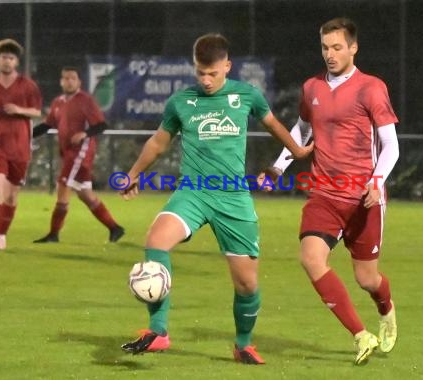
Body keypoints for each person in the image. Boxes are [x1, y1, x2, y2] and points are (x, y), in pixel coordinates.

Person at [119, 33, 313, 364]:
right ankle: (158, 331)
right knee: (155, 242)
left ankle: (243, 344)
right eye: (200, 73)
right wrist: (134, 172)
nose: (206, 81)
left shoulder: (246, 95)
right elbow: (158, 142)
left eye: (213, 73)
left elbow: (272, 125)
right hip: (193, 191)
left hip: (233, 197)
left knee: (247, 285)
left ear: (227, 66)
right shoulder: (181, 102)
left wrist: (295, 151)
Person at [258, 17, 400, 365]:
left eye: (337, 47)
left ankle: (386, 308)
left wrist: (376, 182)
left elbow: (391, 146)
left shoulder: (371, 88)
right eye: (325, 47)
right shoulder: (312, 88)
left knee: (367, 279)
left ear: (353, 47)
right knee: (310, 258)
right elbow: (302, 130)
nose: (330, 54)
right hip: (324, 193)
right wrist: (279, 166)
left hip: (363, 198)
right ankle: (360, 334)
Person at [32, 67, 125, 243]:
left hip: (79, 153)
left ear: (79, 82)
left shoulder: (86, 100)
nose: (69, 81)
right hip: (67, 152)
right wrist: (26, 135)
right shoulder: (58, 102)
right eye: (66, 78)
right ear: (61, 82)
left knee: (63, 188)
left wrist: (85, 134)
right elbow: (47, 125)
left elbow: (101, 125)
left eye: (72, 78)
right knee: (85, 194)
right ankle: (115, 228)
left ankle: (53, 234)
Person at [0, 39, 43, 251]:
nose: (6, 61)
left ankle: (2, 234)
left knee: (11, 195)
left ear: (16, 62)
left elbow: (36, 111)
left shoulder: (28, 86)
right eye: (3, 57)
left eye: (11, 58)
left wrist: (19, 109)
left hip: (19, 145)